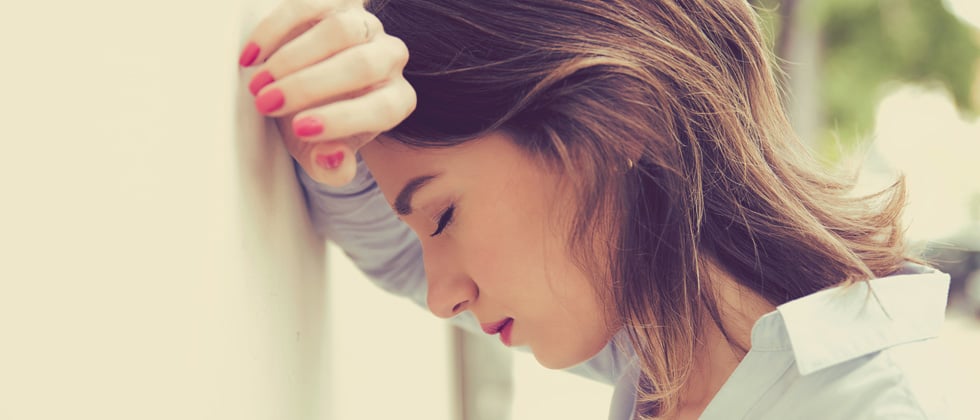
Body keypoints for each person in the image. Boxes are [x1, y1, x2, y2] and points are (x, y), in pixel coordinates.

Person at [239, 1, 952, 418]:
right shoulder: (673, 349)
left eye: (443, 218)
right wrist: (331, 138)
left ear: (617, 122)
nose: (439, 295)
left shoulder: (861, 404)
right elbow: (389, 249)